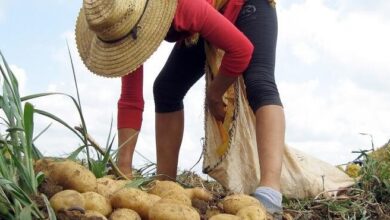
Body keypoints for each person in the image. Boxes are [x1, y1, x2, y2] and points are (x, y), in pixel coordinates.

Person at [75, 0, 285, 214]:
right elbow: (131, 97)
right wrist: (124, 170)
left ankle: (270, 192)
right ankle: (166, 183)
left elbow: (242, 50)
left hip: (246, 6)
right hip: (209, 15)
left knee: (259, 81)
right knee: (166, 89)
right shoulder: (122, 23)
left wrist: (214, 94)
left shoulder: (184, 7)